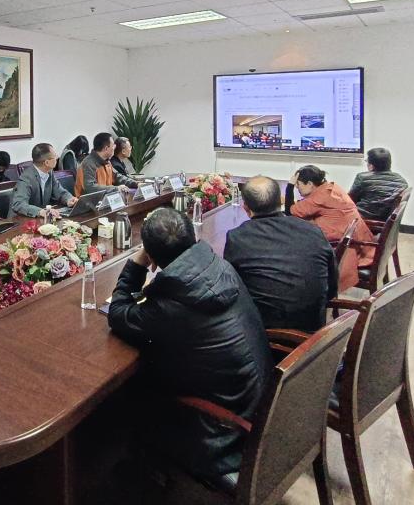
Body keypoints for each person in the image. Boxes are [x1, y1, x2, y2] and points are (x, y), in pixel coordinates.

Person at [108, 208, 272, 485]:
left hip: (225, 433)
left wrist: (136, 265)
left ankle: (140, 473)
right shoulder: (219, 266)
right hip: (258, 401)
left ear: (152, 256)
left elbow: (118, 314)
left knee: (133, 385)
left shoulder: (172, 302)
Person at [224, 177, 338, 330]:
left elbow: (231, 291)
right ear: (280, 201)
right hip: (315, 328)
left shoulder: (237, 237)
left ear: (245, 208)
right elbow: (332, 285)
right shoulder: (313, 230)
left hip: (266, 332)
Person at [287, 165, 374, 290]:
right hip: (360, 243)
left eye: (298, 184)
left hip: (341, 250)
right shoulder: (331, 188)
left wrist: (289, 186)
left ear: (310, 184)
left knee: (293, 241)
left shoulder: (320, 197)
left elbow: (290, 212)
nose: (297, 187)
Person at [10, 143, 78, 218]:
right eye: (54, 156)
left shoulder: (49, 172)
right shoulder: (26, 178)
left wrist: (69, 199)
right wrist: (40, 211)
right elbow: (18, 204)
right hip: (20, 220)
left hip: (41, 219)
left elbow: (60, 192)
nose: (57, 158)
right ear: (47, 162)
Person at [349, 147, 409, 222]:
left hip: (363, 218)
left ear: (371, 166)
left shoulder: (363, 178)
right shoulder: (402, 181)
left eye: (367, 161)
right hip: (385, 219)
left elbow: (350, 200)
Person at [75, 132, 138, 197]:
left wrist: (135, 183)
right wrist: (116, 189)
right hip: (89, 202)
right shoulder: (88, 163)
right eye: (113, 145)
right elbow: (90, 188)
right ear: (106, 148)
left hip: (105, 199)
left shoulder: (107, 162)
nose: (114, 148)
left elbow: (117, 177)